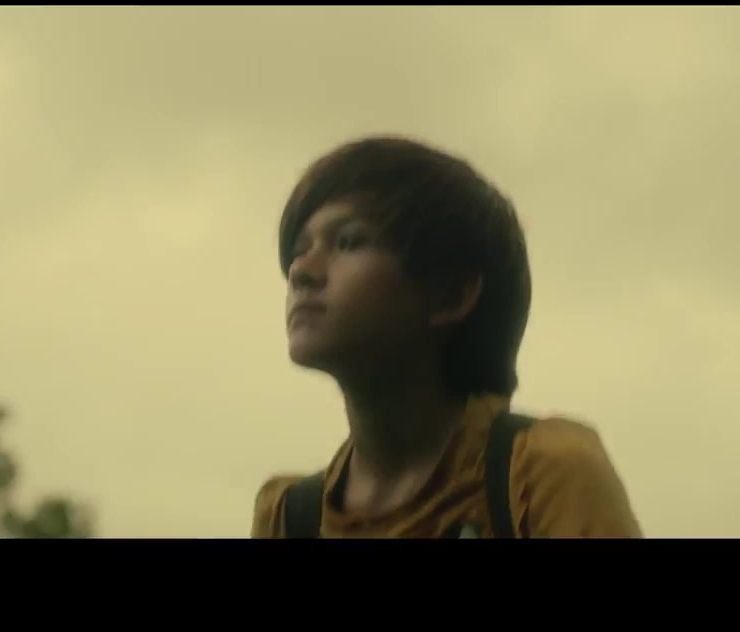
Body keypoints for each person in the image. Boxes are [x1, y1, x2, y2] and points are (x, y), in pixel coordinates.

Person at [251, 135, 643, 538]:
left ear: (451, 294)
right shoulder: (290, 517)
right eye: (299, 249)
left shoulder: (543, 472)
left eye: (348, 242)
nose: (301, 271)